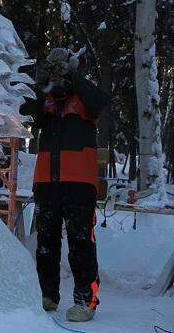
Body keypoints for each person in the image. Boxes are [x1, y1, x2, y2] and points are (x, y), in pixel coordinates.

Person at [21, 48, 109, 322]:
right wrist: (42, 84)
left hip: (79, 181)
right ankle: (47, 294)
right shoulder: (46, 99)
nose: (57, 77)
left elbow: (99, 102)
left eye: (60, 71)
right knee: (46, 241)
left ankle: (86, 300)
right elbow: (27, 113)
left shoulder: (84, 96)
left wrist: (73, 76)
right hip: (47, 179)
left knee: (80, 241)